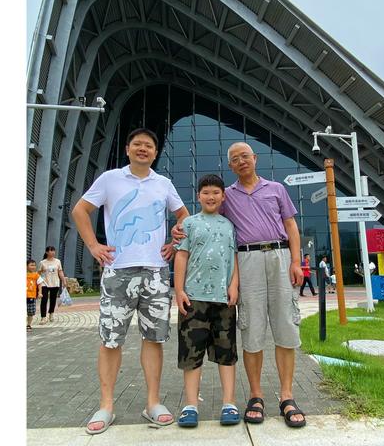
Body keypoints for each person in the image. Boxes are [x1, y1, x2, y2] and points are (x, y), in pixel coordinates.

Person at [173, 142, 306, 428]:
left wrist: (296, 261)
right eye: (235, 159)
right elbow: (202, 219)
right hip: (247, 260)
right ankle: (255, 396)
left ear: (255, 158)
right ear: (231, 166)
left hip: (280, 256)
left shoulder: (276, 189)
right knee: (252, 329)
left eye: (245, 156)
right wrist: (177, 226)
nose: (241, 161)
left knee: (285, 326)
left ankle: (286, 395)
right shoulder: (227, 197)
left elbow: (291, 225)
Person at [72, 128, 189, 435]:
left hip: (155, 273)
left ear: (154, 152)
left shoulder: (163, 183)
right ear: (127, 149)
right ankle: (106, 405)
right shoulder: (110, 179)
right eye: (137, 144)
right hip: (118, 271)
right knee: (111, 340)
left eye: (148, 146)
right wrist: (94, 247)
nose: (142, 149)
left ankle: (152, 402)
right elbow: (80, 211)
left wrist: (175, 243)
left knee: (154, 338)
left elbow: (184, 217)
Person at [174, 174, 240, 428]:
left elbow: (234, 257)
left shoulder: (229, 225)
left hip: (223, 300)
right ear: (198, 196)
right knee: (191, 353)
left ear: (223, 196)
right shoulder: (189, 224)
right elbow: (181, 257)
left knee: (227, 352)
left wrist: (234, 285)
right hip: (194, 299)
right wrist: (178, 290)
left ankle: (229, 403)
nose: (211, 197)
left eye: (215, 192)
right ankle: (190, 405)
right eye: (206, 193)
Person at [39, 246, 67, 324]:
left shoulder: (57, 261)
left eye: (53, 251)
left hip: (55, 283)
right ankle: (43, 317)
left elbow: (60, 272)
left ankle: (51, 313)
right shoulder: (42, 262)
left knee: (53, 300)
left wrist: (63, 280)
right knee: (44, 300)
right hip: (45, 283)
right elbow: (39, 273)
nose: (53, 252)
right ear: (47, 252)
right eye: (51, 251)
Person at [26, 259, 45, 331]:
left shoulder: (36, 275)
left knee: (30, 312)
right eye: (31, 265)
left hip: (31, 296)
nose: (33, 267)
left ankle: (28, 325)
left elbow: (40, 284)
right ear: (27, 266)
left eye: (34, 265)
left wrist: (40, 293)